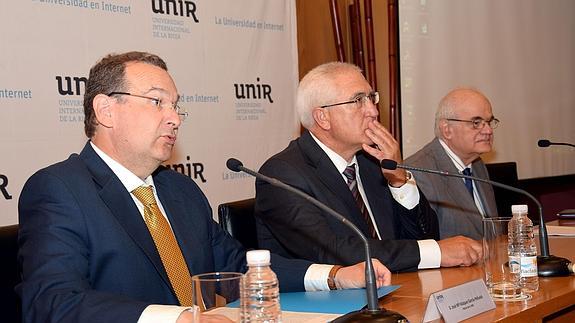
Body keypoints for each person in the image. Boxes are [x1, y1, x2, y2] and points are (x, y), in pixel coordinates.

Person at [16, 52, 392, 323]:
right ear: (105, 110)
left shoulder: (181, 191)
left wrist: (333, 275)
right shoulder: (59, 189)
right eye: (157, 102)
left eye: (176, 106)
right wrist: (180, 319)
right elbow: (54, 303)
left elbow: (237, 266)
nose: (174, 118)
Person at [254, 62, 483, 273]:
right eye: (358, 101)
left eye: (372, 98)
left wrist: (399, 180)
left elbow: (424, 236)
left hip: (397, 290)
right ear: (323, 117)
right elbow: (339, 253)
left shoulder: (372, 162)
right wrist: (435, 252)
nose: (373, 111)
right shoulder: (282, 175)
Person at [404, 88, 499, 240]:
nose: (488, 130)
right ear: (447, 130)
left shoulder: (477, 164)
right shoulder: (418, 172)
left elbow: (489, 231)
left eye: (488, 122)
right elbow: (426, 242)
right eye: (476, 122)